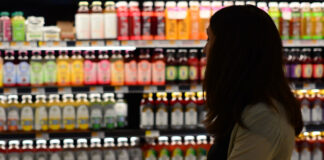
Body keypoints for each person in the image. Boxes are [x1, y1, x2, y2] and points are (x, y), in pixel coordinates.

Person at [204, 5, 303, 160]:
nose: (205, 49)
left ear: (231, 50)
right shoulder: (246, 106)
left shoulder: (264, 117)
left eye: (209, 39)